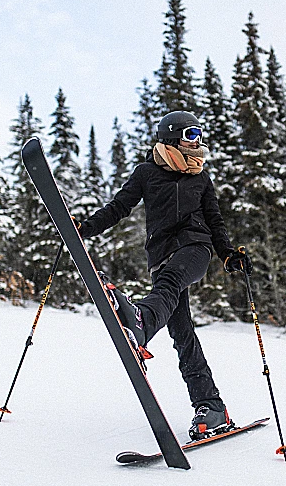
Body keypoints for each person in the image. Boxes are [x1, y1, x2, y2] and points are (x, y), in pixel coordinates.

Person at [76, 110, 252, 440]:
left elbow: (215, 222)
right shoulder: (147, 172)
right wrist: (85, 229)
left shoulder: (200, 178)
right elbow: (119, 207)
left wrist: (228, 254)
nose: (197, 142)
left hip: (195, 250)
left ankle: (140, 321)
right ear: (171, 136)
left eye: (199, 135)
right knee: (183, 334)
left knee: (170, 285)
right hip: (161, 258)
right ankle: (212, 408)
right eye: (191, 135)